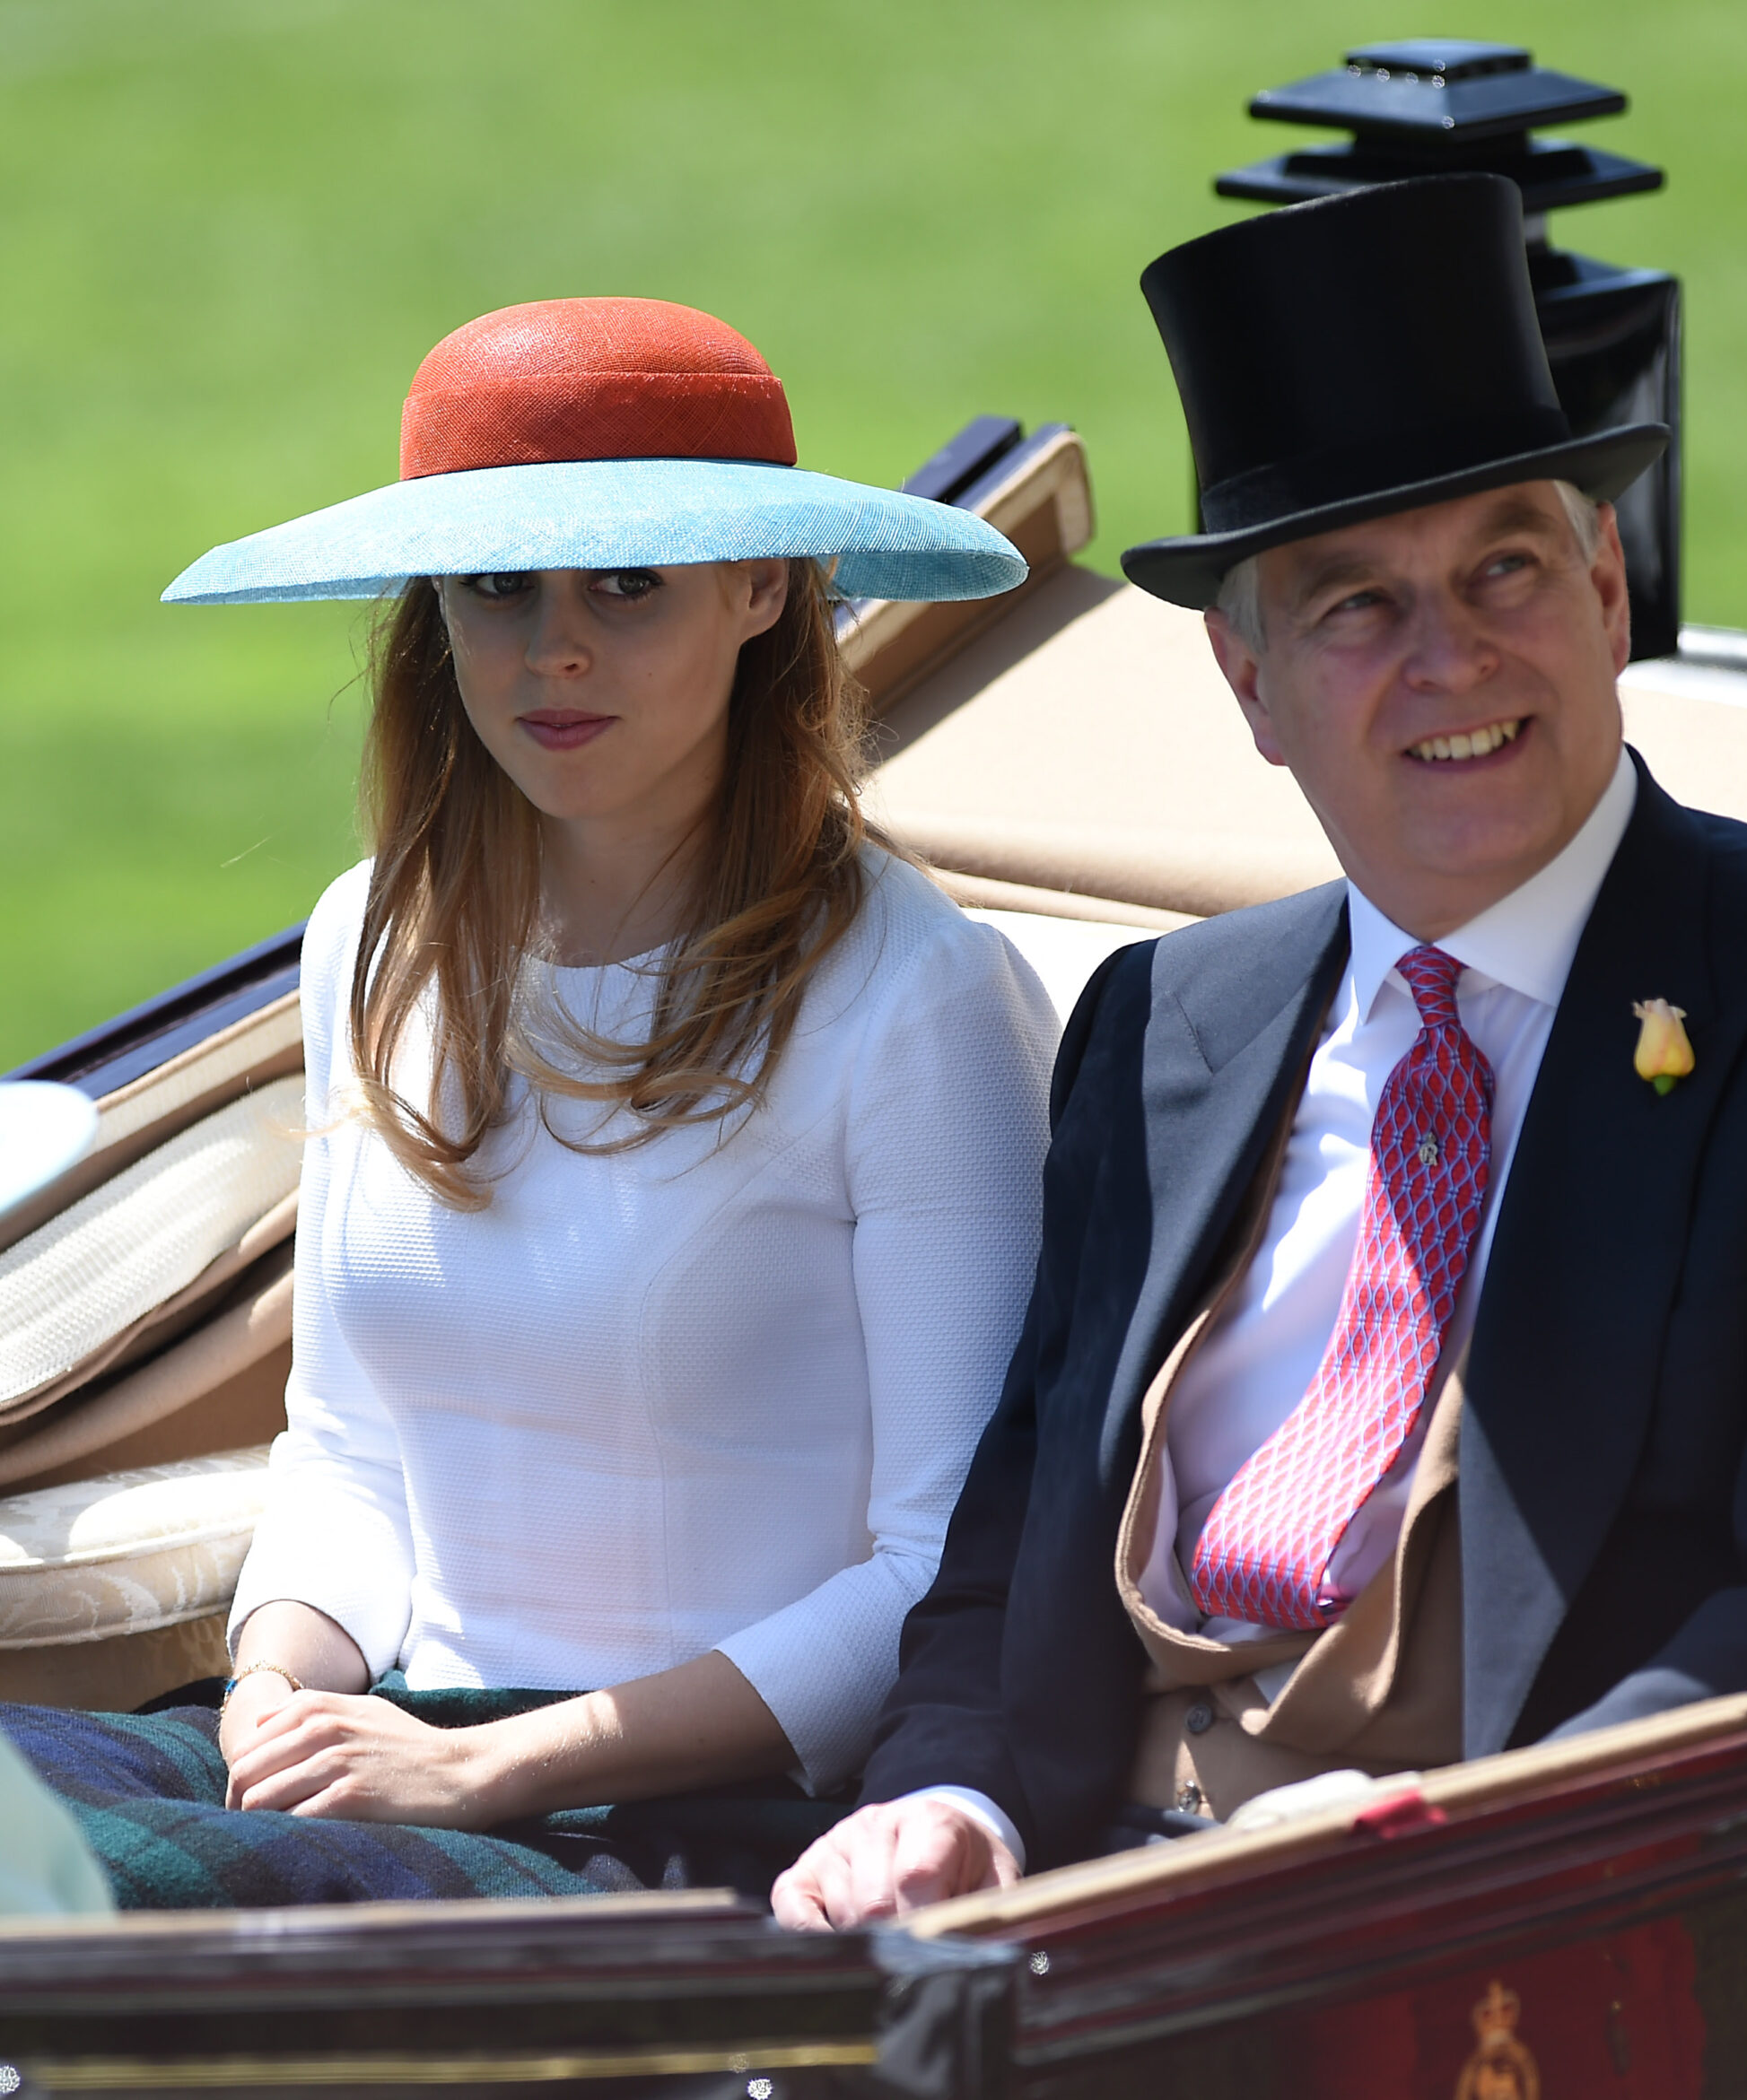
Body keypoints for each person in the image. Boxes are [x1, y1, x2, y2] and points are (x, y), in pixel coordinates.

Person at [772, 174, 1747, 1927]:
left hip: (1556, 1933)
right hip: (1080, 1918)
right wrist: (942, 1787)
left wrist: (1450, 1858)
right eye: (1353, 607)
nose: (1450, 655)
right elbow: (1016, 1524)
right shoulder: (1163, 1024)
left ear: (1605, 586)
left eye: (1502, 566)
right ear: (1247, 686)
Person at [2, 296, 1057, 1906]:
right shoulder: (375, 932)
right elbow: (349, 1445)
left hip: (697, 1821)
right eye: (498, 585)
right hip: (391, 1750)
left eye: (626, 583)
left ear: (762, 590)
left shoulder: (918, 999)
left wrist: (494, 1764)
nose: (551, 646)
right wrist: (283, 1686)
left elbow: (935, 1575)